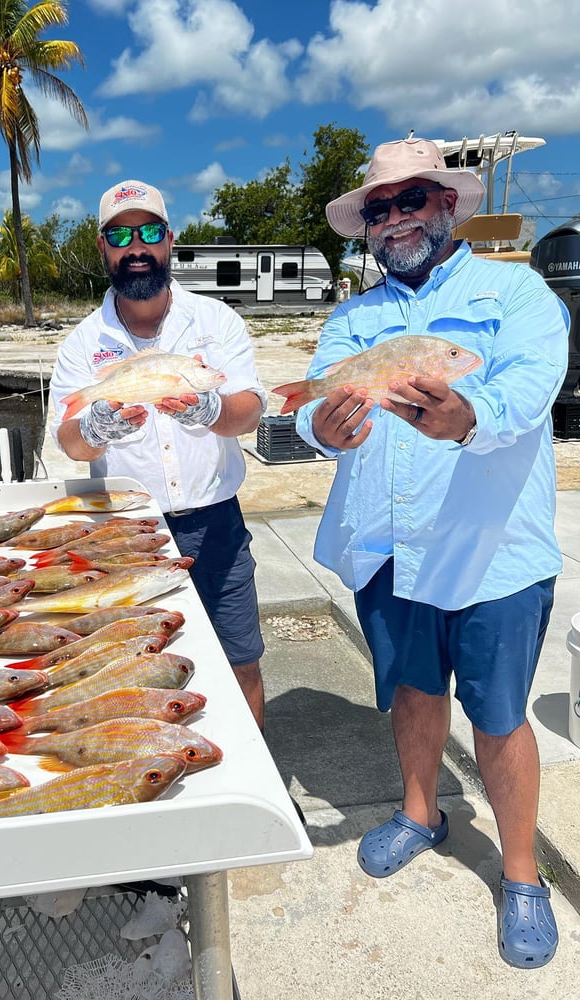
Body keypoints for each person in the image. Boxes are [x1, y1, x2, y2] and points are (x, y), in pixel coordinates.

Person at [294, 138, 569, 968]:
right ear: (367, 228)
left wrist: (468, 415)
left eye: (411, 199)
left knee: (499, 717)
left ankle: (521, 875)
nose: (394, 217)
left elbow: (530, 384)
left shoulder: (514, 288)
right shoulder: (352, 317)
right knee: (413, 695)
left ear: (448, 205)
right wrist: (319, 427)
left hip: (493, 554)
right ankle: (421, 812)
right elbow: (314, 405)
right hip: (391, 547)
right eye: (378, 207)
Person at [49, 179, 267, 729]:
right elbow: (71, 442)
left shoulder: (217, 322)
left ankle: (254, 793)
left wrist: (206, 408)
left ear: (169, 239)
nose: (137, 247)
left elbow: (250, 410)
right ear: (103, 248)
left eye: (149, 232)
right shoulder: (81, 342)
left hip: (216, 525)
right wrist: (96, 422)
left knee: (240, 662)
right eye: (121, 235)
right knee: (131, 666)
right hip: (128, 531)